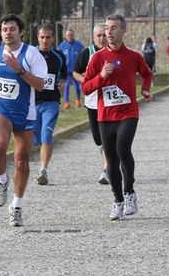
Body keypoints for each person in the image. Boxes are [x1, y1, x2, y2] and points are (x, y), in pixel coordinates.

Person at [0, 14, 47, 227]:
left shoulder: (32, 54)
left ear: (21, 32)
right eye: (4, 29)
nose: (8, 33)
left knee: (21, 160)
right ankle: (1, 179)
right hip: (1, 109)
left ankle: (16, 205)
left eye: (12, 29)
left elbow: (40, 85)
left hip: (25, 113)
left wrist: (19, 70)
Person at [82, 14, 153, 220]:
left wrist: (145, 89)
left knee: (123, 148)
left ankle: (130, 191)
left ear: (123, 31)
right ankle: (118, 200)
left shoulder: (133, 56)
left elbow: (147, 74)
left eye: (114, 28)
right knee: (111, 159)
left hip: (128, 112)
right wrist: (101, 76)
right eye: (107, 28)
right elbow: (86, 88)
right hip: (105, 115)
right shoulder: (97, 58)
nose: (109, 32)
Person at [73, 23, 110, 185]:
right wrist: (86, 80)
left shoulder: (113, 52)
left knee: (108, 137)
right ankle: (107, 156)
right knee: (98, 139)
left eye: (104, 35)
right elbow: (75, 72)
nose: (102, 38)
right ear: (94, 37)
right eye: (98, 36)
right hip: (92, 101)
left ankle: (106, 170)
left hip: (109, 102)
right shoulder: (87, 53)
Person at [34, 24, 67, 185]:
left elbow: (63, 76)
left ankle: (43, 170)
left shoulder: (59, 57)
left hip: (51, 102)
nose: (45, 40)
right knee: (35, 139)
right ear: (37, 38)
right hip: (31, 103)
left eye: (48, 37)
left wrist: (62, 84)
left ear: (53, 38)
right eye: (42, 37)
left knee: (46, 134)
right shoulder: (30, 54)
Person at [58, 29, 85, 109]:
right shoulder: (62, 46)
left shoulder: (78, 45)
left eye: (71, 35)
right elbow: (58, 56)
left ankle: (78, 101)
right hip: (67, 71)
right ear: (65, 36)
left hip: (76, 71)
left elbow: (84, 55)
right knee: (66, 86)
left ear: (73, 36)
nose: (70, 37)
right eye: (68, 35)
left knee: (77, 87)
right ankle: (67, 103)